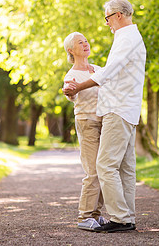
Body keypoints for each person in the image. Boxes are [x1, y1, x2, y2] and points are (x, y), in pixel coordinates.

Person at [63, 0, 146, 233]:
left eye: (107, 18)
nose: (107, 23)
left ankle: (120, 218)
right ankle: (126, 216)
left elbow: (108, 73)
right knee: (125, 168)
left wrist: (79, 87)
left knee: (105, 165)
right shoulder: (128, 37)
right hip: (126, 110)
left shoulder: (126, 37)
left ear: (117, 15)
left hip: (118, 109)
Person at [62, 32, 108, 231]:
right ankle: (85, 216)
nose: (85, 44)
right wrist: (69, 90)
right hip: (87, 122)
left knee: (105, 170)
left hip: (105, 123)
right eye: (80, 42)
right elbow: (69, 90)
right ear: (71, 50)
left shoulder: (98, 69)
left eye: (86, 41)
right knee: (92, 171)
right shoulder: (72, 75)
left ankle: (95, 215)